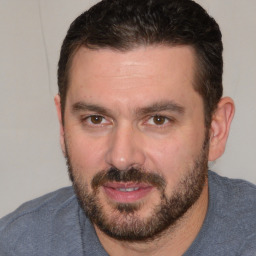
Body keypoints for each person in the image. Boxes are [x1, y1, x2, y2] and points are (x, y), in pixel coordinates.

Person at [0, 0, 255, 255]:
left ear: (216, 129)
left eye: (158, 119)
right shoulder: (15, 245)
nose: (121, 158)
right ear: (63, 126)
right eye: (96, 119)